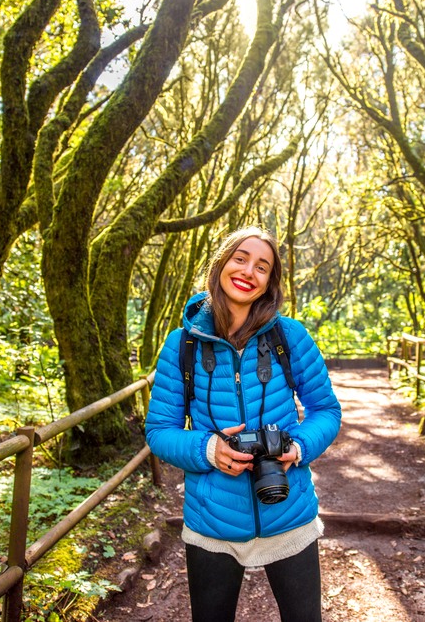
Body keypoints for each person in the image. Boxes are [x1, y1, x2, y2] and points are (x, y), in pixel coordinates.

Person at [145, 226, 342, 622]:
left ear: (270, 283)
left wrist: (298, 447)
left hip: (289, 512)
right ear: (221, 264)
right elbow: (159, 430)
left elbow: (326, 411)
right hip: (211, 519)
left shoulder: (290, 337)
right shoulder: (181, 345)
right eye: (240, 258)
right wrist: (208, 450)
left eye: (262, 266)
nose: (248, 271)